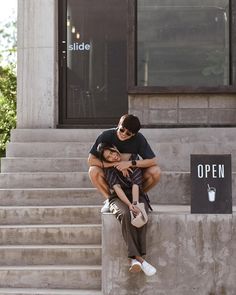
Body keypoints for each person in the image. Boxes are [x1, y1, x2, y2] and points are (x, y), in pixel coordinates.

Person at [96, 142, 156, 276]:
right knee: (125, 214)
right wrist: (129, 205)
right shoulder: (108, 169)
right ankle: (140, 259)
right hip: (118, 197)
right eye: (108, 157)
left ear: (115, 149)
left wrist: (135, 203)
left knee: (140, 214)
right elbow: (117, 189)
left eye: (112, 152)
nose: (113, 156)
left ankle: (134, 261)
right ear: (105, 160)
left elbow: (136, 184)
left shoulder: (132, 160)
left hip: (136, 195)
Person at [88, 114, 161, 213]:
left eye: (128, 133)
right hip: (112, 176)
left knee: (156, 171)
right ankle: (110, 200)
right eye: (122, 130)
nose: (123, 134)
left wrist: (130, 163)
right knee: (93, 170)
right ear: (118, 124)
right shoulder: (105, 135)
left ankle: (138, 196)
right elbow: (91, 160)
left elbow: (153, 161)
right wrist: (116, 165)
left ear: (134, 134)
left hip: (132, 175)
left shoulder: (139, 139)